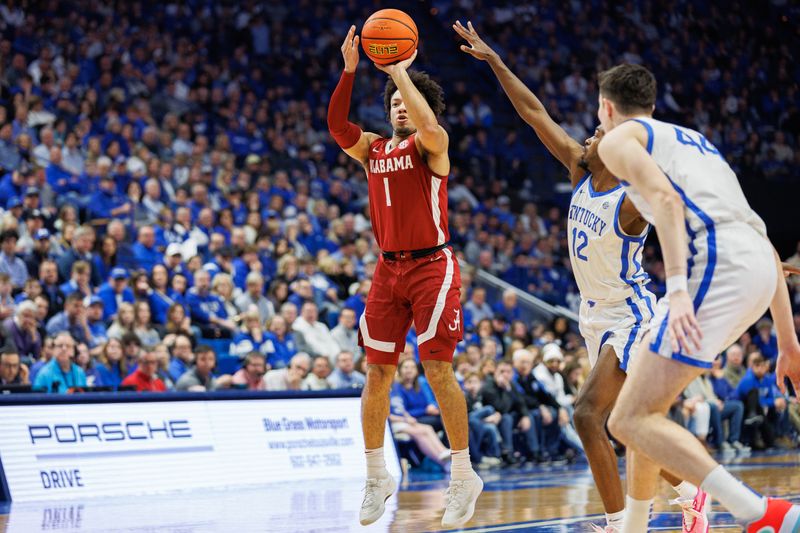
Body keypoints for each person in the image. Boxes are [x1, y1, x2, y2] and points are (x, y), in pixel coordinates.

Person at [453, 22, 699, 532]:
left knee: (587, 415)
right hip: (594, 315)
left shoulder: (631, 198)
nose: (586, 135)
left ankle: (620, 523)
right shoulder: (580, 170)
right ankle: (692, 491)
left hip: (631, 314)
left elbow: (687, 217)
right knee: (622, 426)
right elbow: (533, 113)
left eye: (596, 131)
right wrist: (495, 61)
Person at [593, 63, 800, 532]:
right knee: (644, 410)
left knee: (626, 419)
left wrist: (680, 289)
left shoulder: (617, 138)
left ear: (607, 108)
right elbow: (764, 243)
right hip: (756, 264)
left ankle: (757, 513)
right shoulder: (691, 141)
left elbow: (664, 202)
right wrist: (788, 342)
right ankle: (634, 528)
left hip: (714, 261)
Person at [328, 26, 480, 527]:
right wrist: (351, 71)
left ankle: (462, 474)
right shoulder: (372, 148)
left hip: (432, 266)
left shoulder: (431, 145)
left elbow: (431, 128)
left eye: (406, 101)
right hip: (387, 269)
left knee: (437, 368)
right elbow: (335, 125)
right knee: (376, 373)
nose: (398, 106)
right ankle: (377, 476)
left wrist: (398, 69)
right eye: (393, 100)